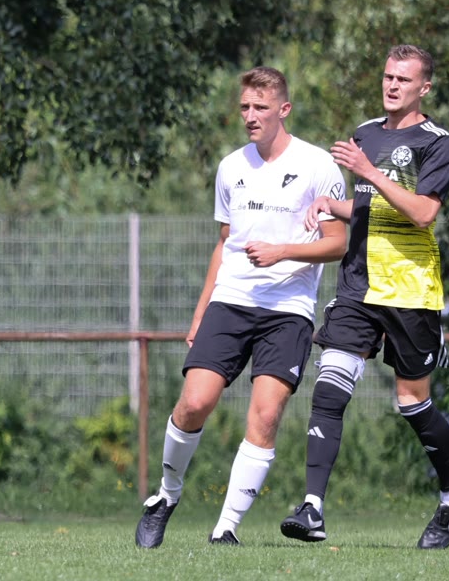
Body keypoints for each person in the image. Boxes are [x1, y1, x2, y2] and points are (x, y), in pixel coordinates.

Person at [135, 66, 347, 548]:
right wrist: (200, 312)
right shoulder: (231, 167)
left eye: (260, 107)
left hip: (288, 308)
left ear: (283, 109)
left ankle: (225, 528)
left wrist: (283, 252)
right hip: (231, 301)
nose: (250, 116)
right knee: (194, 403)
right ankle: (166, 496)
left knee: (266, 415)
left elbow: (339, 242)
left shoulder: (318, 167)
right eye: (245, 107)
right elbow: (224, 244)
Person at [280, 44, 449, 550]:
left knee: (412, 402)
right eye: (388, 76)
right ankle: (312, 508)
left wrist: (368, 171)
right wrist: (333, 204)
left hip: (409, 288)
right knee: (330, 384)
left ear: (424, 87)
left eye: (403, 79)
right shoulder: (366, 133)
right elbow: (370, 205)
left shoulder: (438, 143)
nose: (391, 85)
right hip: (358, 285)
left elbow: (422, 213)